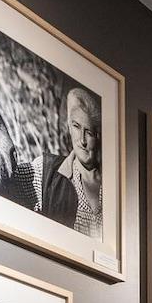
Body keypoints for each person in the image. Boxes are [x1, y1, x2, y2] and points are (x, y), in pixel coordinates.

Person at [41, 87, 104, 237]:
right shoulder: (46, 170)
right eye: (76, 127)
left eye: (89, 132)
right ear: (69, 127)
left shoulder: (114, 185)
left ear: (99, 136)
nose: (82, 141)